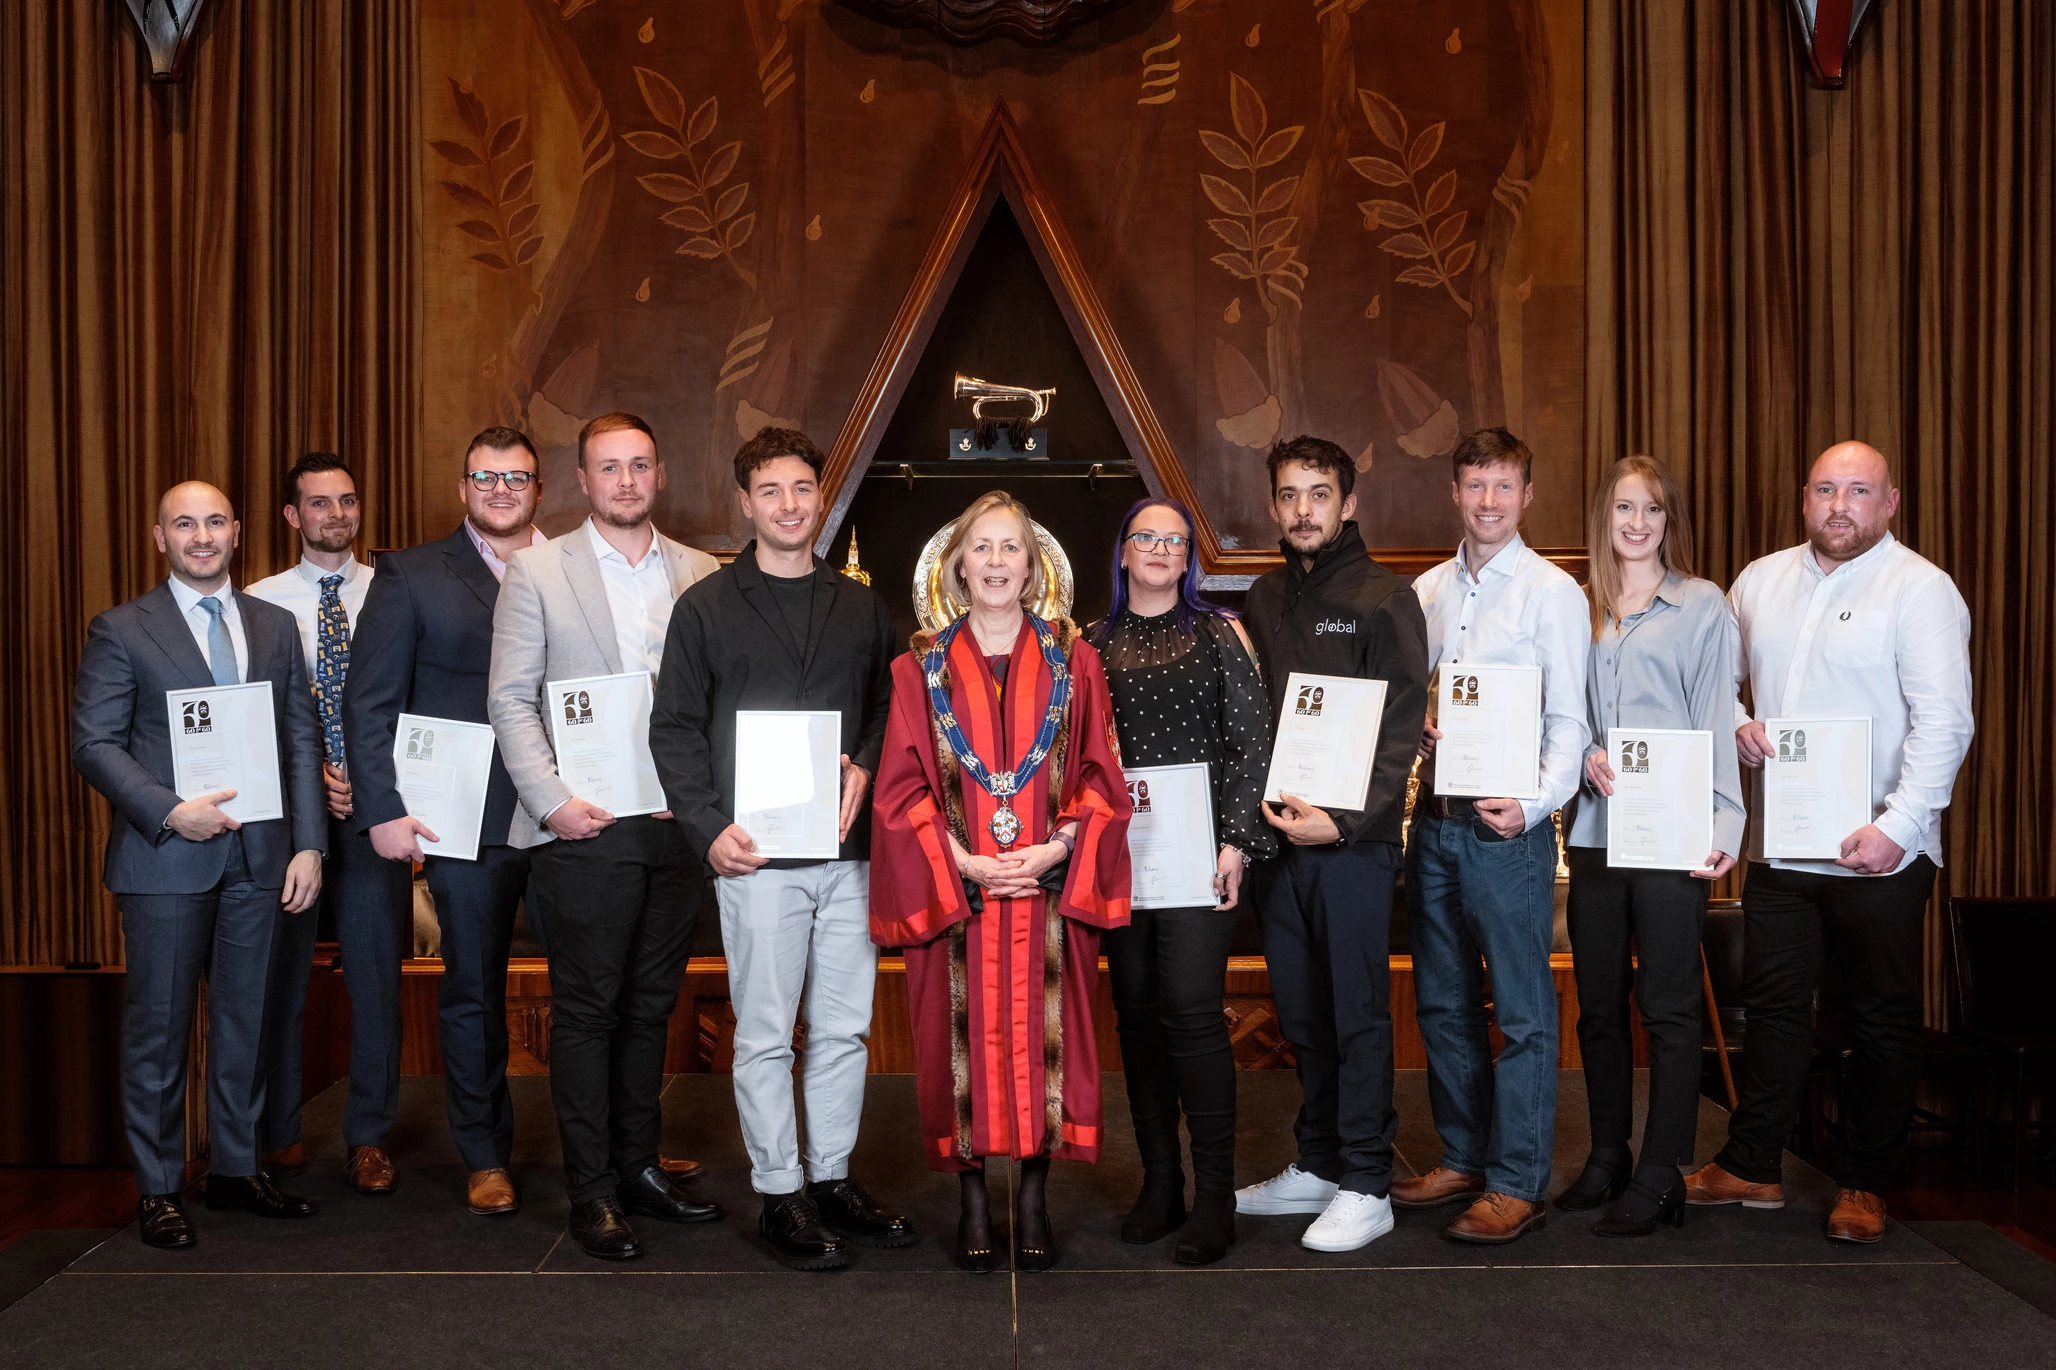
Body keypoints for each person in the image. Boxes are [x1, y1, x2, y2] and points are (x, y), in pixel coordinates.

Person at [1686, 440, 1973, 1244]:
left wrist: (1897, 829)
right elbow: (1721, 678)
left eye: (1858, 490)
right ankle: (1753, 1163)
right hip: (1785, 846)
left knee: (1879, 1017)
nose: (1838, 504)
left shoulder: (1920, 590)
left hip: (1879, 851)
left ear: (1890, 502)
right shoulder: (1758, 580)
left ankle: (1863, 1184)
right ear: (1804, 498)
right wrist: (1735, 722)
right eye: (1824, 489)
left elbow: (1946, 723)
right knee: (1777, 1010)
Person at [649, 428, 911, 1271]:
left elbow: (888, 707)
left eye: (803, 489)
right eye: (772, 490)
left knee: (842, 1031)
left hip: (848, 854)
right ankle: (779, 1193)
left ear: (820, 499)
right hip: (755, 857)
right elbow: (674, 729)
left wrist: (866, 766)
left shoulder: (863, 605)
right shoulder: (707, 608)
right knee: (765, 1032)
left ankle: (831, 1176)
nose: (790, 505)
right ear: (745, 502)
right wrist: (706, 827)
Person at [869, 490, 1132, 1274]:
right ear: (956, 566)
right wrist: (965, 862)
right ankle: (975, 1197)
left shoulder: (1074, 661)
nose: (994, 562)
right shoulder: (919, 669)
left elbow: (1100, 774)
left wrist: (1054, 851)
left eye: (1008, 548)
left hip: (1047, 889)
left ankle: (1033, 1198)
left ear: (1032, 564)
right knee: (959, 1046)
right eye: (979, 548)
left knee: (1049, 1043)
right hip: (964, 894)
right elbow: (899, 789)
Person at [486, 412, 721, 1261]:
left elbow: (712, 703)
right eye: (608, 468)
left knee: (651, 1005)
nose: (626, 481)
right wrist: (550, 802)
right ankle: (592, 1193)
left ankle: (638, 1169)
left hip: (672, 827)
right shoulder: (537, 570)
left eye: (639, 466)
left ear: (659, 475)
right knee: (587, 1011)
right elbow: (511, 698)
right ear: (581, 481)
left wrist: (700, 798)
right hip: (586, 827)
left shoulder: (701, 571)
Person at [71, 481, 327, 1249]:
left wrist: (309, 842)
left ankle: (235, 1169)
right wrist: (166, 809)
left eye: (215, 521)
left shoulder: (275, 626)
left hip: (261, 858)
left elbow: (301, 741)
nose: (202, 536)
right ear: (160, 538)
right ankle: (158, 1187)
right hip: (166, 859)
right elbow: (93, 744)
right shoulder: (121, 629)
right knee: (160, 1028)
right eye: (185, 524)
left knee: (246, 1021)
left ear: (239, 532)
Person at [342, 426, 549, 1217]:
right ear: (463, 488)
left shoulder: (567, 568)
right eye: (486, 478)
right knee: (473, 992)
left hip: (569, 811)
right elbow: (369, 703)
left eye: (517, 478)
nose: (502, 490)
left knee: (600, 992)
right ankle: (485, 1154)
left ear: (539, 489)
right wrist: (382, 811)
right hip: (463, 818)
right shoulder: (411, 573)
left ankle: (614, 1148)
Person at [1232, 437, 1430, 1254]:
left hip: (1351, 845)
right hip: (1282, 843)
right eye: (1289, 495)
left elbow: (1402, 728)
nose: (1303, 509)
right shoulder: (1263, 596)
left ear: (1348, 503)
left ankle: (1366, 1182)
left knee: (1355, 1014)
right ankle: (1316, 1162)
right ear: (1274, 506)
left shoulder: (1387, 598)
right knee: (1303, 1012)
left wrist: (1345, 824)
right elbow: (1249, 724)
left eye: (1320, 494)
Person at [1400, 426, 1589, 1244]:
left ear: (1527, 494)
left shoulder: (1554, 593)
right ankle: (1464, 1155)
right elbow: (1411, 703)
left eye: (1503, 487)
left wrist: (1535, 804)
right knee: (1441, 1002)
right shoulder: (1427, 592)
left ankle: (1518, 1181)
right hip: (1434, 827)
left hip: (1505, 832)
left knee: (1521, 1012)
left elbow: (1571, 723)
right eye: (1475, 486)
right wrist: (1419, 724)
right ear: (1455, 491)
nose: (1488, 502)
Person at [1559, 455, 1744, 1236]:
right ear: (1605, 516)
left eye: (1654, 511)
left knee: (1667, 1009)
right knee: (1598, 1007)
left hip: (1671, 835)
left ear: (1672, 521)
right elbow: (1559, 712)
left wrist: (1726, 822)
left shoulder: (1702, 606)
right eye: (1625, 509)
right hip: (1599, 833)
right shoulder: (1580, 608)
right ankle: (1608, 1156)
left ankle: (1664, 1171)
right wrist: (1580, 756)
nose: (1638, 524)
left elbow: (1715, 714)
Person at [1090, 496, 1276, 1266]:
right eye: (1147, 537)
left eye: (1175, 539)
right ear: (1124, 553)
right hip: (1122, 858)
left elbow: (1252, 741)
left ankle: (1214, 1197)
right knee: (1135, 1014)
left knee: (1194, 1014)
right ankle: (1160, 1181)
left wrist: (1237, 841)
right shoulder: (1089, 645)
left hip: (1199, 855)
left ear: (1187, 556)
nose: (1162, 549)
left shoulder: (1218, 635)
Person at [245, 452, 413, 1195]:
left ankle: (369, 1138)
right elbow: (248, 723)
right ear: (292, 516)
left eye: (346, 501)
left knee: (377, 981)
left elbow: (411, 706)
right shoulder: (258, 601)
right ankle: (278, 1134)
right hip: (290, 826)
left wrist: (375, 783)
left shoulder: (395, 593)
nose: (335, 515)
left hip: (375, 815)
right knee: (280, 981)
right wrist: (310, 773)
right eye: (318, 504)